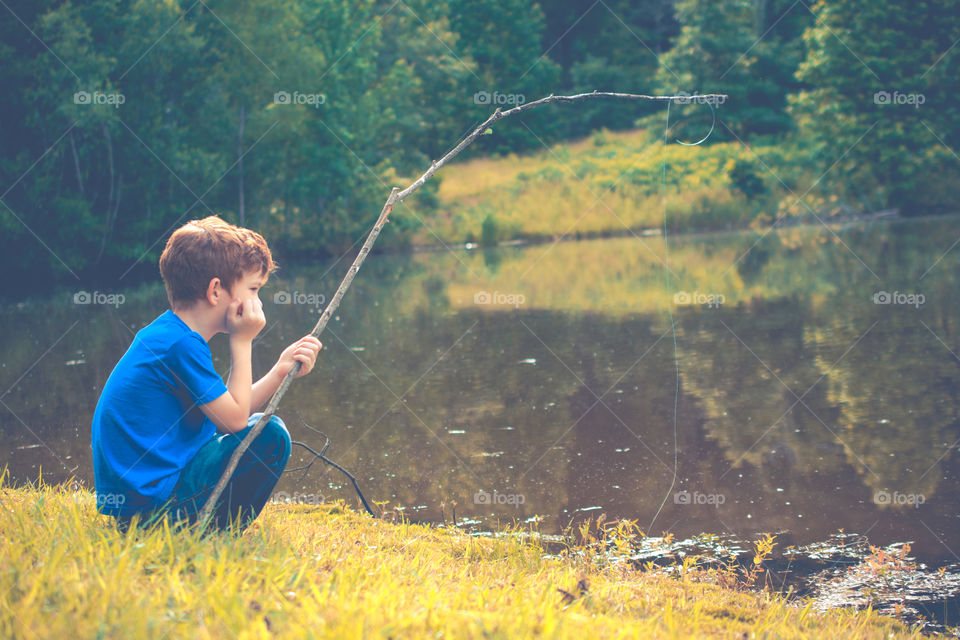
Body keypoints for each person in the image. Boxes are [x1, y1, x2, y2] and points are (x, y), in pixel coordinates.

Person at [91, 216, 322, 533]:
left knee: (256, 426)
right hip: (155, 512)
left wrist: (280, 371)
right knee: (270, 435)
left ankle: (199, 523)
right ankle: (214, 530)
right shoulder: (180, 345)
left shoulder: (170, 334)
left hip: (140, 506)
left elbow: (228, 411)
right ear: (216, 290)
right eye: (253, 289)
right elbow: (235, 422)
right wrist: (242, 342)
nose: (258, 301)